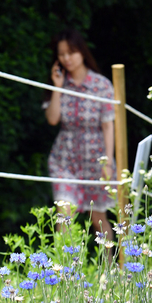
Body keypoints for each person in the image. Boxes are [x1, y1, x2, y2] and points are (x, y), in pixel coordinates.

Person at [44, 29, 115, 239]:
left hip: (96, 159)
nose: (66, 58)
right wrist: (57, 88)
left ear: (82, 52)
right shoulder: (58, 83)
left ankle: (109, 267)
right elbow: (52, 119)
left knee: (98, 218)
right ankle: (63, 270)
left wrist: (108, 163)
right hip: (65, 160)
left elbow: (108, 126)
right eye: (62, 54)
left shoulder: (101, 85)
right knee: (64, 213)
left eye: (71, 52)